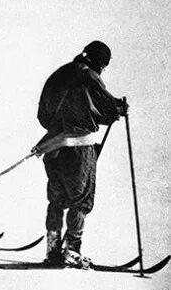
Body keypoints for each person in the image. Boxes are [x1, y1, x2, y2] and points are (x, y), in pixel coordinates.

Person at [36, 40, 127, 268]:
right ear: (100, 62)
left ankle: (53, 250)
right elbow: (107, 108)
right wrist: (119, 109)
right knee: (81, 199)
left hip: (53, 147)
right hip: (79, 149)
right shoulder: (89, 76)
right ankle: (72, 251)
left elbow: (42, 115)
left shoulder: (60, 74)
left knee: (56, 200)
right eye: (104, 66)